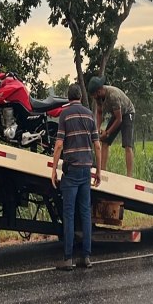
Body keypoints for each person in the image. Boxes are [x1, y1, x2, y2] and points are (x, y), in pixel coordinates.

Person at [51, 83, 101, 271]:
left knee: (69, 215)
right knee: (85, 214)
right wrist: (99, 171)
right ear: (80, 96)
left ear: (68, 97)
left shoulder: (65, 115)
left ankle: (68, 259)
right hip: (86, 170)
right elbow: (97, 145)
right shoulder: (89, 114)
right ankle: (86, 257)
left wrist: (54, 169)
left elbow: (58, 145)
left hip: (71, 172)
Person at [88, 75, 136, 177]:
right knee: (105, 142)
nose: (93, 97)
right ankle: (102, 170)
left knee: (127, 145)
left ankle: (129, 175)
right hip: (117, 114)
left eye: (93, 95)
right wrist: (97, 129)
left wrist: (107, 132)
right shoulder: (99, 98)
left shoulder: (113, 95)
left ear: (99, 91)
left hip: (127, 113)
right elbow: (100, 113)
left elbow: (119, 120)